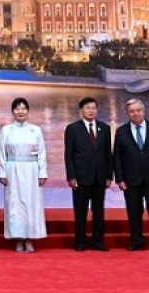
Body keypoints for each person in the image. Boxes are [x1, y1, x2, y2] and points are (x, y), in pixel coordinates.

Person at [0, 97, 47, 252]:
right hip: (13, 169)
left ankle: (30, 237)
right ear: (13, 112)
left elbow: (41, 153)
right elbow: (2, 153)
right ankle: (18, 238)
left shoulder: (35, 130)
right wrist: (3, 172)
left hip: (31, 170)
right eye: (17, 108)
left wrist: (42, 172)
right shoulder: (6, 130)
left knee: (32, 204)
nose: (20, 111)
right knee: (15, 204)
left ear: (28, 111)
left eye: (23, 108)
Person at [64, 97, 112, 251]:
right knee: (80, 211)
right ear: (81, 111)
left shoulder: (105, 128)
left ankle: (98, 241)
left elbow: (108, 154)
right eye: (88, 108)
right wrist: (71, 176)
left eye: (93, 108)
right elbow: (69, 155)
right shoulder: (72, 129)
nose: (91, 111)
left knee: (98, 211)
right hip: (81, 177)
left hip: (99, 177)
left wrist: (109, 176)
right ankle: (80, 241)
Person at [113, 99, 149, 251]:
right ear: (127, 113)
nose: (135, 114)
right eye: (132, 111)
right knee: (134, 212)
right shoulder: (121, 131)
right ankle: (136, 241)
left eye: (138, 110)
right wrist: (120, 179)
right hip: (130, 179)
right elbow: (117, 157)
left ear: (144, 111)